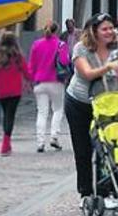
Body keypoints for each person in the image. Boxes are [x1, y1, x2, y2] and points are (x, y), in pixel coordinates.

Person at [64, 13, 118, 200]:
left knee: (109, 146)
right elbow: (87, 73)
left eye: (111, 28)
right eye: (105, 29)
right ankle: (85, 192)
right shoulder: (81, 48)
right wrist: (109, 66)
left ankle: (106, 190)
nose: (110, 32)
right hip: (80, 103)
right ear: (94, 31)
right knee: (83, 150)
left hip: (107, 104)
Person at [0, 32, 30, 156]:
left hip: (2, 91)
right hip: (15, 91)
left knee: (6, 114)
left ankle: (6, 142)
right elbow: (26, 72)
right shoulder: (18, 56)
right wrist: (29, 83)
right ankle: (6, 142)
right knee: (10, 115)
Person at [28, 21, 69, 153]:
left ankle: (40, 142)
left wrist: (30, 80)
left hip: (40, 82)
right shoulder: (61, 44)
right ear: (56, 31)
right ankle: (54, 136)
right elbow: (64, 61)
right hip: (56, 82)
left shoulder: (36, 44)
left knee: (42, 112)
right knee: (57, 110)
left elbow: (32, 64)